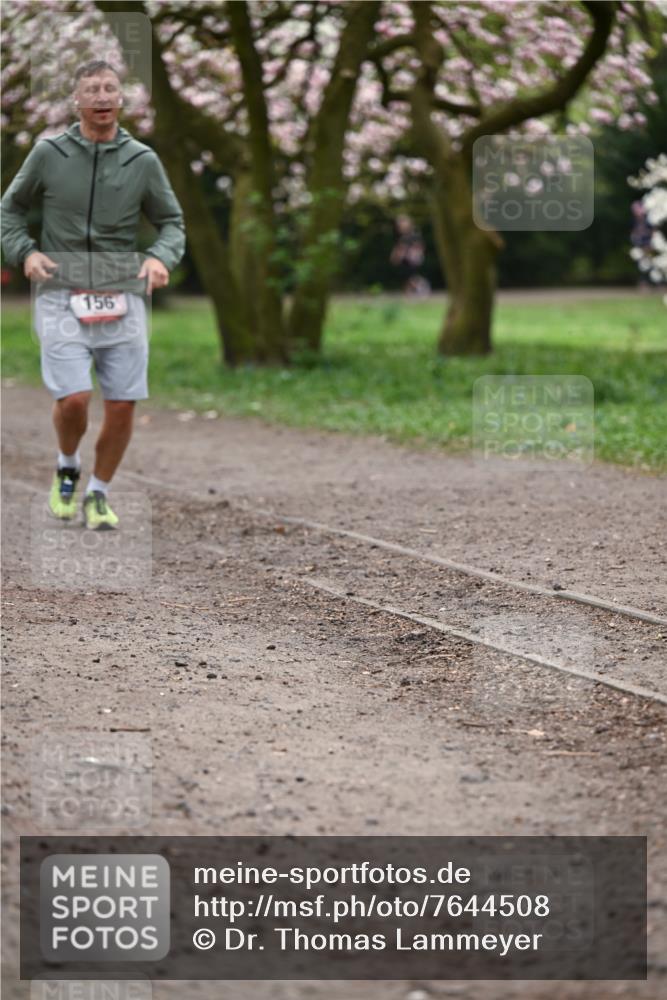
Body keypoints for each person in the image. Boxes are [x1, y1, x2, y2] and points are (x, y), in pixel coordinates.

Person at [1, 60, 185, 529]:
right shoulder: (48, 154)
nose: (102, 96)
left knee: (122, 401)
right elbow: (10, 211)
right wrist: (25, 253)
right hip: (60, 289)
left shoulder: (141, 160)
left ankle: (99, 493)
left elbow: (171, 222)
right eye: (92, 89)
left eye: (110, 88)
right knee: (76, 398)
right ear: (77, 101)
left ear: (121, 100)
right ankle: (68, 465)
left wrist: (160, 257)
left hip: (121, 291)